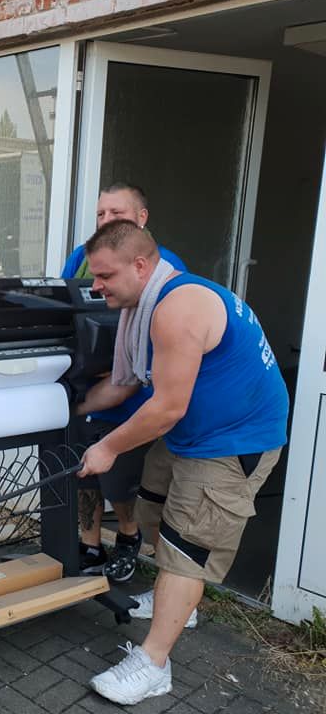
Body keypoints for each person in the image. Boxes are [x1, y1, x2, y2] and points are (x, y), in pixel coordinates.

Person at [78, 219, 287, 705]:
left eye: (105, 276)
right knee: (152, 507)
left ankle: (154, 665)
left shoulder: (176, 309)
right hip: (192, 434)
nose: (96, 285)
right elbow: (129, 384)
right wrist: (68, 410)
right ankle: (181, 604)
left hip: (234, 443)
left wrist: (108, 448)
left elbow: (167, 406)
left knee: (186, 549)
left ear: (140, 265)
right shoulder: (151, 302)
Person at [63, 183, 186, 583]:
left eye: (116, 213)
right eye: (101, 214)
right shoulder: (79, 260)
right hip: (88, 387)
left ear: (141, 218)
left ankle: (128, 540)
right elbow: (64, 308)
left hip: (132, 400)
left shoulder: (165, 271)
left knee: (120, 479)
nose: (106, 221)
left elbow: (158, 357)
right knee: (84, 471)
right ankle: (90, 543)